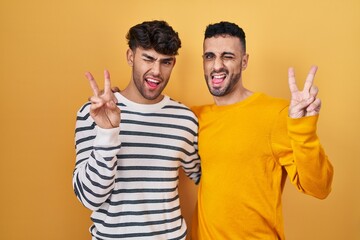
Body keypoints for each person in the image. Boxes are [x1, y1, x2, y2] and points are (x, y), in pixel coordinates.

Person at [191, 21, 334, 240]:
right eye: (210, 56)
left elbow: (320, 188)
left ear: (244, 61)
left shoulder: (276, 114)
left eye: (228, 56)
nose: (217, 65)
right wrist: (120, 101)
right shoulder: (194, 117)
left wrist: (303, 130)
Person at [72, 20, 201, 240]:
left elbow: (209, 177)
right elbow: (90, 198)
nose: (156, 71)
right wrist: (107, 133)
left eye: (166, 62)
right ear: (131, 57)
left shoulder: (185, 119)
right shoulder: (93, 112)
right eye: (148, 59)